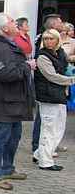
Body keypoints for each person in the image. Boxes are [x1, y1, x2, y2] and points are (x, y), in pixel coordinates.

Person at [0, 13, 35, 190]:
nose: (16, 23)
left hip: (14, 101)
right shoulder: (0, 48)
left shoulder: (8, 45)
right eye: (12, 21)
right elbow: (6, 74)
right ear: (5, 28)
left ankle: (7, 168)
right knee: (0, 138)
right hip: (5, 102)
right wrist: (27, 66)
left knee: (13, 137)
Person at [33, 28, 75, 171]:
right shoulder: (42, 57)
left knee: (59, 128)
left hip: (59, 95)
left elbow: (66, 64)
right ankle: (45, 161)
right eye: (46, 39)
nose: (48, 41)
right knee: (49, 129)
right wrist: (71, 80)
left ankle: (40, 154)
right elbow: (52, 76)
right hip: (48, 97)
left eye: (51, 38)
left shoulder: (59, 53)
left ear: (57, 40)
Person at [32, 14, 64, 154]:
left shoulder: (58, 49)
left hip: (54, 90)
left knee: (53, 122)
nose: (62, 24)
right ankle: (38, 148)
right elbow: (51, 74)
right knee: (44, 120)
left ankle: (47, 147)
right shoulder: (43, 49)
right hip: (47, 90)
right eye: (60, 22)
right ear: (53, 26)